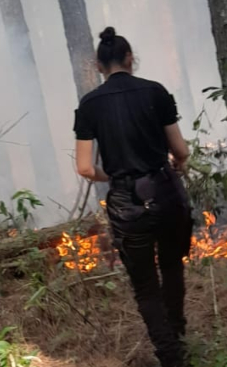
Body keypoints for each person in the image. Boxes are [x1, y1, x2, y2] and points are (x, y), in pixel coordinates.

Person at [73, 27, 194, 367]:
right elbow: (181, 150)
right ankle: (177, 333)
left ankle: (170, 357)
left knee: (145, 286)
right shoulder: (155, 92)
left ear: (98, 66)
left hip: (127, 203)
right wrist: (178, 164)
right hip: (165, 191)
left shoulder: (89, 105)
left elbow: (84, 168)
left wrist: (112, 175)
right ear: (130, 59)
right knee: (172, 266)